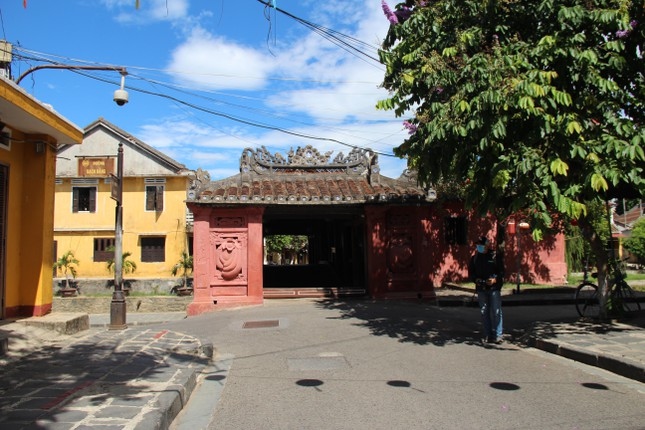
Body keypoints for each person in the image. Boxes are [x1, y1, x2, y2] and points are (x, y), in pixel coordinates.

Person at [468, 236, 505, 344]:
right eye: (478, 245)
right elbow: (471, 274)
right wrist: (476, 280)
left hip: (494, 289)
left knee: (496, 311)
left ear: (487, 245)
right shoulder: (475, 258)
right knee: (484, 312)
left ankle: (498, 335)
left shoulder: (494, 256)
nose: (479, 247)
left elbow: (502, 272)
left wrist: (495, 280)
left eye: (481, 245)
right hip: (481, 289)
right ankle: (487, 334)